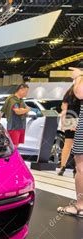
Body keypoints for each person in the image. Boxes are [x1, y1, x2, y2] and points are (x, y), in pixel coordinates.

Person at [58, 63, 83, 217]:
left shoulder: (79, 81)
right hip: (73, 119)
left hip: (77, 121)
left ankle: (80, 205)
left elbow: (80, 93)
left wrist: (78, 76)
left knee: (80, 165)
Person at [58, 85, 80, 176]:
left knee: (67, 145)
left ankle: (62, 167)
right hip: (79, 120)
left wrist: (63, 123)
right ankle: (76, 169)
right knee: (78, 146)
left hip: (69, 119)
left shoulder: (69, 93)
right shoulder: (80, 93)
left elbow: (64, 109)